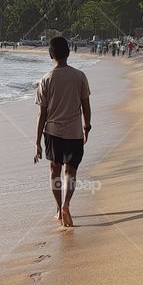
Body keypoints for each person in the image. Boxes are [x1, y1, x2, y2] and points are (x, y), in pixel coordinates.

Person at [34, 36, 91, 228]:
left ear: (51, 54)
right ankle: (67, 204)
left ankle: (59, 210)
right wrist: (87, 126)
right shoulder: (79, 76)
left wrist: (37, 142)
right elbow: (86, 105)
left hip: (52, 133)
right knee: (71, 170)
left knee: (54, 170)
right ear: (68, 52)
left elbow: (42, 114)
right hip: (74, 132)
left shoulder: (45, 80)